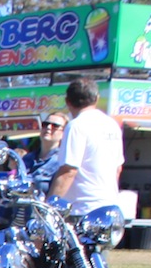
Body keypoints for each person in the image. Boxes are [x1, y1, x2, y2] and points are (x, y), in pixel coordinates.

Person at [49, 76, 122, 209]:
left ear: (67, 101)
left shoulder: (76, 126)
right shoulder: (112, 124)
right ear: (96, 98)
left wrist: (49, 207)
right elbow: (117, 168)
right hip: (109, 207)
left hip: (82, 208)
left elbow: (68, 171)